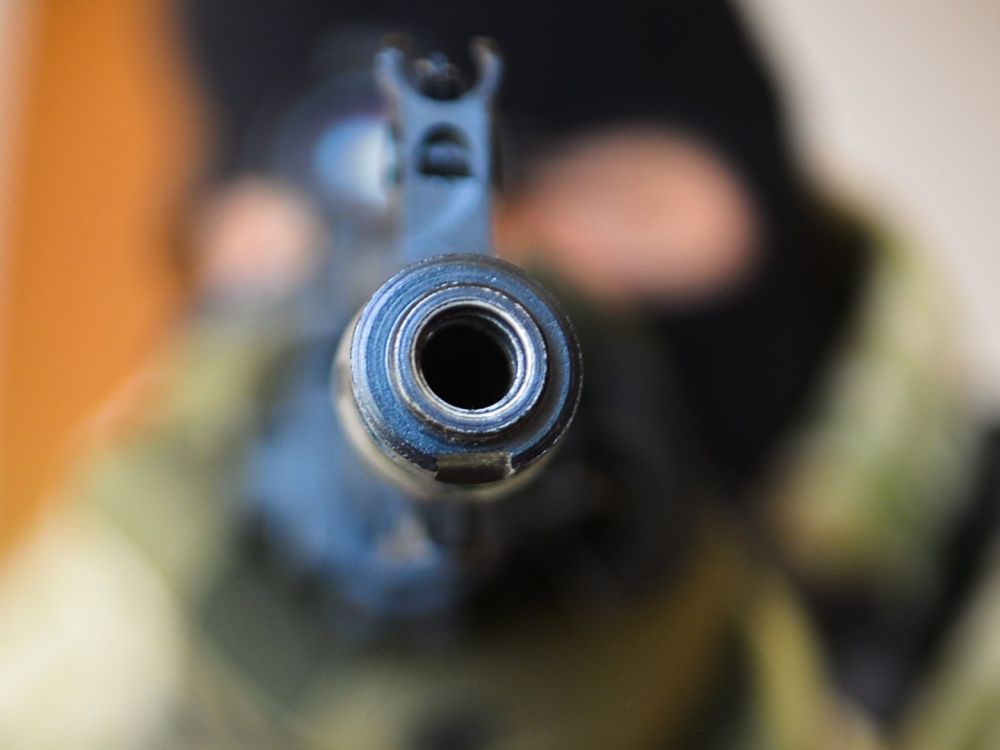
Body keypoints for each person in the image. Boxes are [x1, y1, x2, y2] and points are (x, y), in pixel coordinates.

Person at [1, 1, 996, 748]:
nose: (486, 280)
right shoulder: (97, 616)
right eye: (320, 231)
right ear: (219, 251)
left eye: (607, 200)